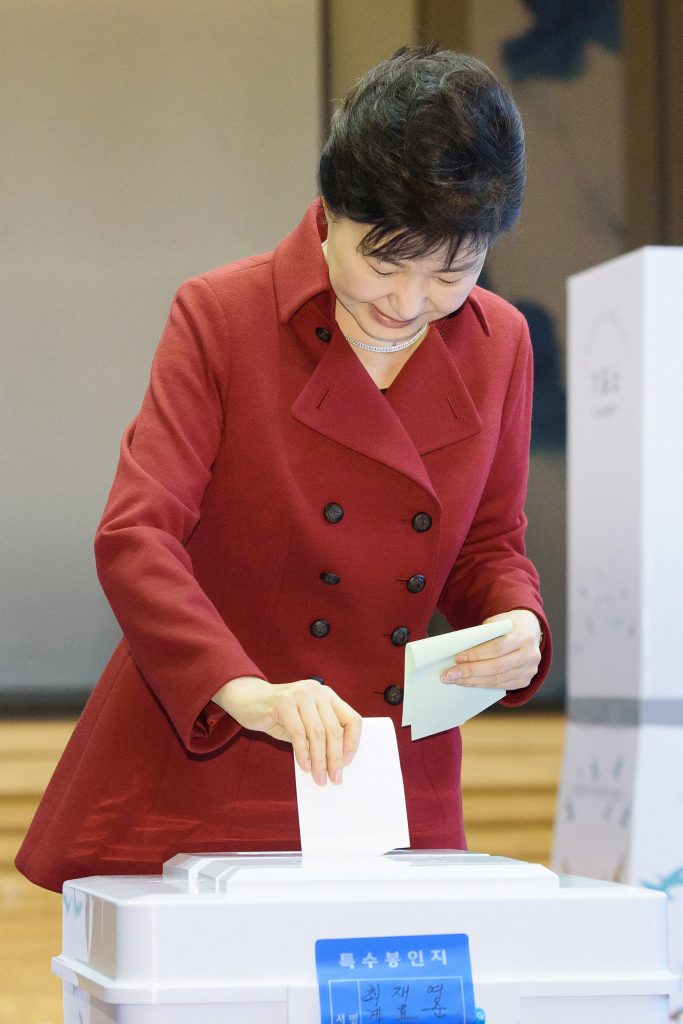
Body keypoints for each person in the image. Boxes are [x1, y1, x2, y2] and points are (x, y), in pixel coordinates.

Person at [16, 46, 551, 893]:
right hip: (221, 751)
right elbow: (136, 536)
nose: (409, 303)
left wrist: (516, 623)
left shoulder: (500, 343)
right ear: (331, 211)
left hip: (386, 770)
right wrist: (246, 691)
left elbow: (490, 541)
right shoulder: (223, 314)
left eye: (451, 270)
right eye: (383, 261)